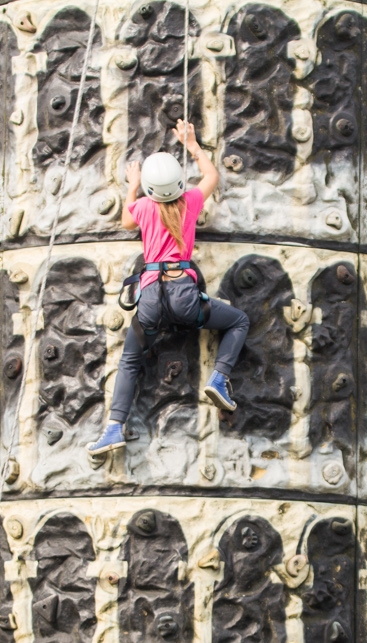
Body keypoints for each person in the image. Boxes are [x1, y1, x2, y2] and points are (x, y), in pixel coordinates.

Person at [88, 120, 251, 456]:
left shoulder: (144, 207)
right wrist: (192, 145)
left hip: (150, 298)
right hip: (184, 295)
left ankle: (114, 428)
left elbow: (126, 221)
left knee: (130, 360)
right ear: (177, 182)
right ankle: (218, 378)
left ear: (150, 189)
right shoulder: (189, 201)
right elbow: (211, 177)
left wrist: (133, 186)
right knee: (238, 321)